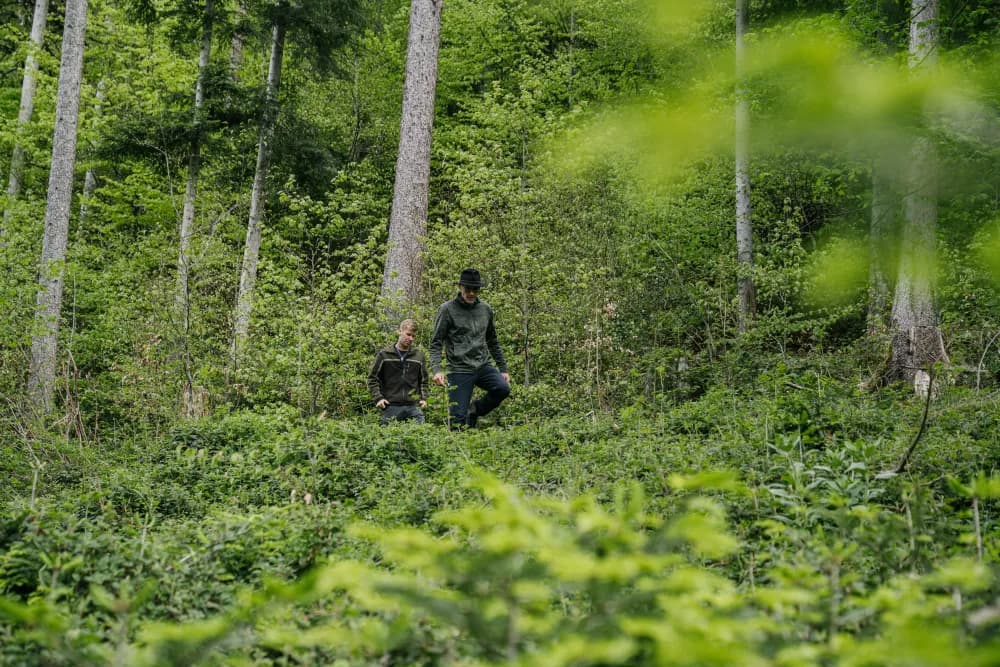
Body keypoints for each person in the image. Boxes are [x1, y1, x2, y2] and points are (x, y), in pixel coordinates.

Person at [430, 268, 510, 428]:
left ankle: (473, 410)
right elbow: (436, 342)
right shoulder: (447, 309)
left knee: (502, 389)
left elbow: (492, 340)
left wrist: (503, 368)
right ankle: (457, 449)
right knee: (457, 420)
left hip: (482, 366)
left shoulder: (485, 309)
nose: (472, 293)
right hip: (459, 369)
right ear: (460, 287)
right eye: (468, 289)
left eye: (475, 289)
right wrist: (437, 369)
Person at [367, 319, 430, 425]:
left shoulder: (418, 356)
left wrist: (424, 398)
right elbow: (372, 378)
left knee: (420, 435)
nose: (410, 339)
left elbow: (424, 380)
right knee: (387, 439)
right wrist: (378, 398)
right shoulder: (384, 354)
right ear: (399, 331)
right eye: (408, 334)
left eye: (413, 336)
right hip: (390, 406)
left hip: (413, 407)